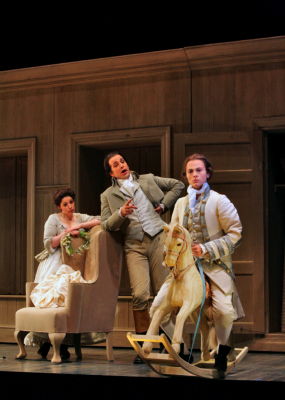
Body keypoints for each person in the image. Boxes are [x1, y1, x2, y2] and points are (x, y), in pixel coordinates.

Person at [100, 151, 184, 363]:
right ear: (111, 173)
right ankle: (144, 347)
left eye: (123, 161)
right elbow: (105, 225)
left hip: (157, 240)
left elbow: (178, 186)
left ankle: (171, 344)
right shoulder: (108, 195)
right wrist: (121, 214)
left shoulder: (147, 179)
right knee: (140, 294)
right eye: (116, 164)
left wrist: (164, 204)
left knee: (164, 294)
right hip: (134, 246)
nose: (121, 165)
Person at [169, 153, 245, 373]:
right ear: (185, 176)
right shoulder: (181, 204)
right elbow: (174, 234)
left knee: (223, 310)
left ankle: (222, 350)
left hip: (215, 266)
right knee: (162, 306)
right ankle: (181, 348)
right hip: (186, 268)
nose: (194, 175)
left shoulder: (220, 200)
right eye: (190, 171)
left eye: (199, 170)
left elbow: (235, 233)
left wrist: (206, 249)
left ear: (208, 173)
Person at [25, 188, 101, 359]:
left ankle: (58, 343)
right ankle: (51, 342)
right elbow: (48, 243)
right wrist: (66, 232)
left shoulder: (80, 217)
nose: (70, 207)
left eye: (71, 203)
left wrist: (81, 226)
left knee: (70, 302)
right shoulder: (53, 219)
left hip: (75, 262)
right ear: (60, 206)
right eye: (65, 204)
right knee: (56, 300)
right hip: (56, 261)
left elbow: (99, 220)